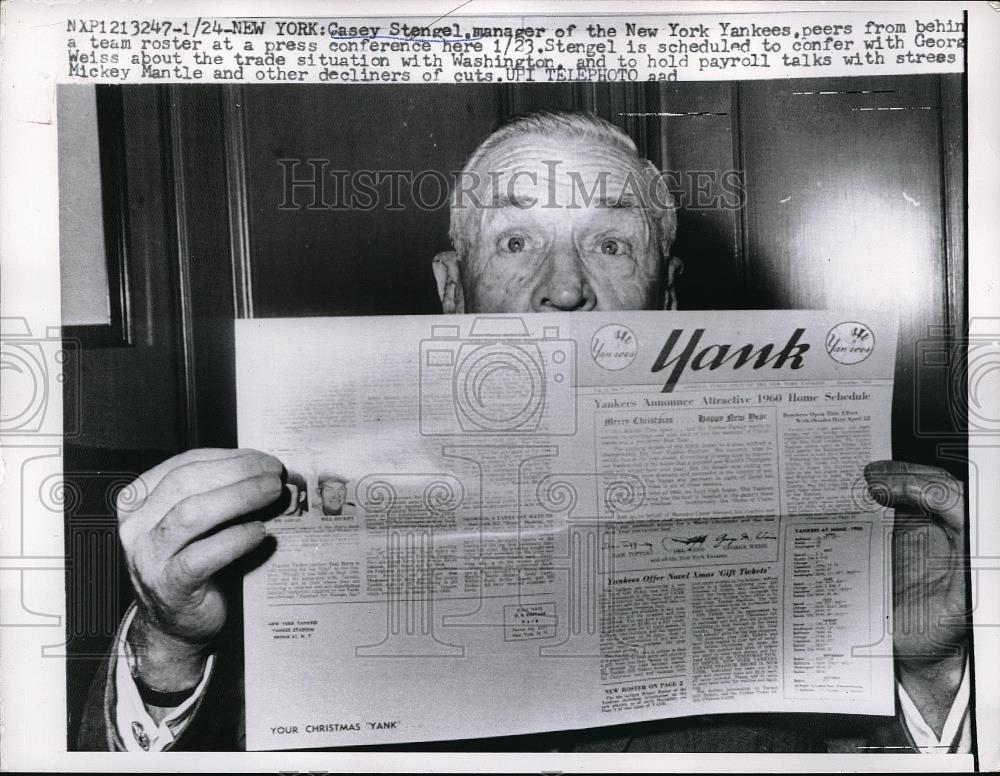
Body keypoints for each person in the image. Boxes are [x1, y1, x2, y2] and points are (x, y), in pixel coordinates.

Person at [78, 110, 970, 753]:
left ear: (668, 298)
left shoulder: (839, 522)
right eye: (515, 242)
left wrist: (933, 676)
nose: (565, 289)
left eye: (610, 244)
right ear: (452, 289)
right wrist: (168, 646)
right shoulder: (274, 525)